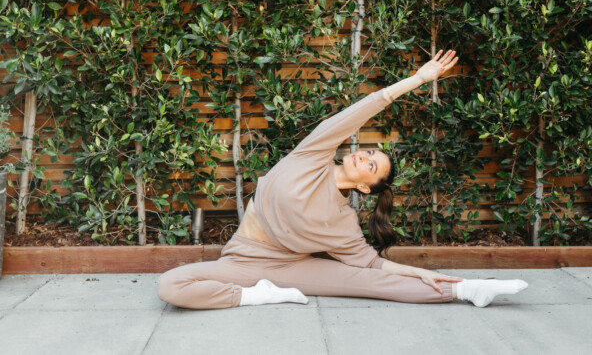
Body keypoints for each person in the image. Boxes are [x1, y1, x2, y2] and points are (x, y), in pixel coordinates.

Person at [158, 50, 528, 309]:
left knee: (372, 284)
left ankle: (468, 291)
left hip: (293, 267)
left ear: (365, 187)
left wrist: (422, 272)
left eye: (371, 165)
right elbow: (361, 110)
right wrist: (417, 79)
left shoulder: (342, 220)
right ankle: (261, 296)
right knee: (170, 285)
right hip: (242, 261)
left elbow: (371, 265)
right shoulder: (312, 155)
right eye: (369, 152)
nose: (364, 156)